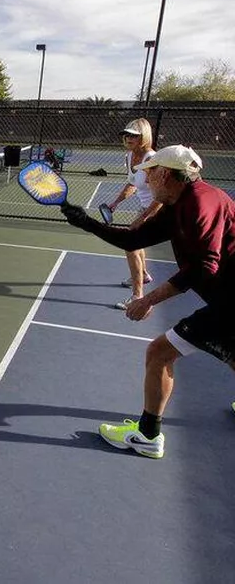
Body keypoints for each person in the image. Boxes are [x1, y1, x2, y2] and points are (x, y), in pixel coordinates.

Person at [60, 145, 235, 459]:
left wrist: (147, 300)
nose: (146, 180)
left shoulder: (200, 205)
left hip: (230, 304)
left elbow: (204, 266)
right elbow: (133, 240)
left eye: (150, 173)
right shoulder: (179, 202)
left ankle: (147, 436)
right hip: (225, 300)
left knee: (159, 353)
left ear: (166, 175)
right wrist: (86, 222)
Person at [105, 118, 160, 310]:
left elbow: (161, 197)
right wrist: (116, 203)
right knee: (137, 243)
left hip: (161, 209)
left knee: (130, 245)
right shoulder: (129, 157)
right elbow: (132, 184)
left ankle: (137, 297)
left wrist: (143, 217)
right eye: (126, 134)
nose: (128, 138)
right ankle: (143, 275)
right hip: (145, 208)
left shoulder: (152, 160)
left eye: (133, 135)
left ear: (144, 136)